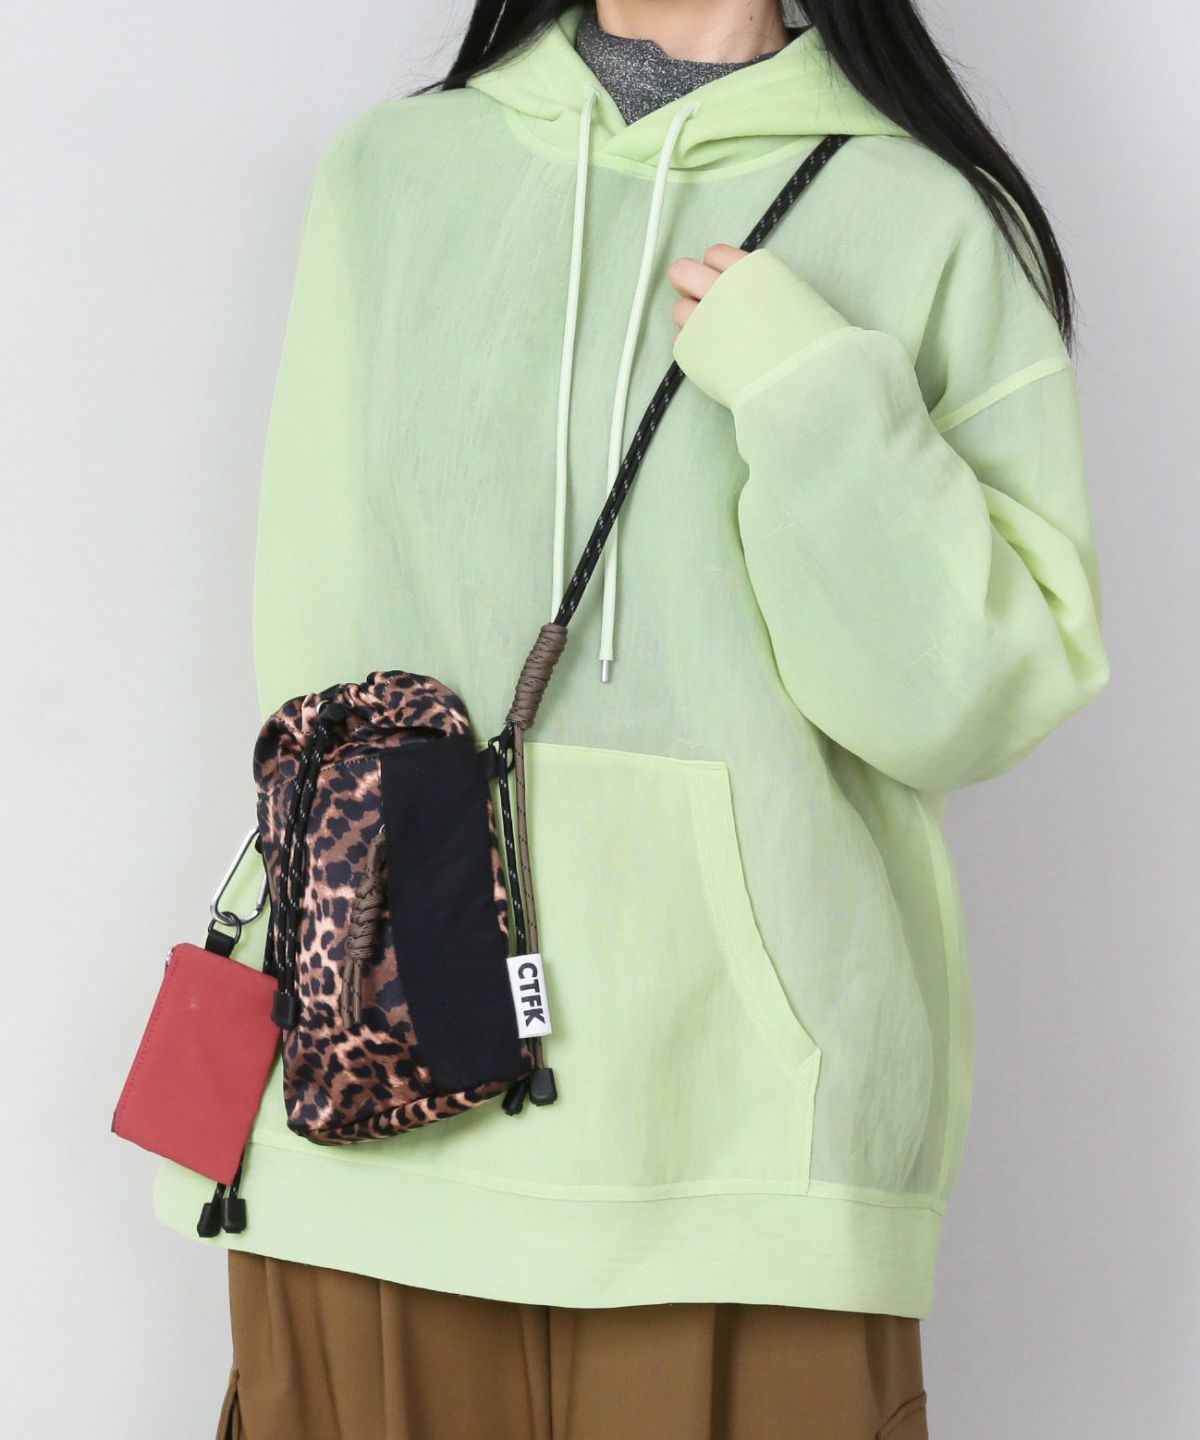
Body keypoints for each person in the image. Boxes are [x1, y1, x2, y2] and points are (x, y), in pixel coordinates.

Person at [152, 2, 1111, 1436]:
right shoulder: (391, 175)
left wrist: (806, 386)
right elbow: (320, 655)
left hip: (744, 1149)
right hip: (377, 1104)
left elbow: (968, 703)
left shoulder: (925, 217)